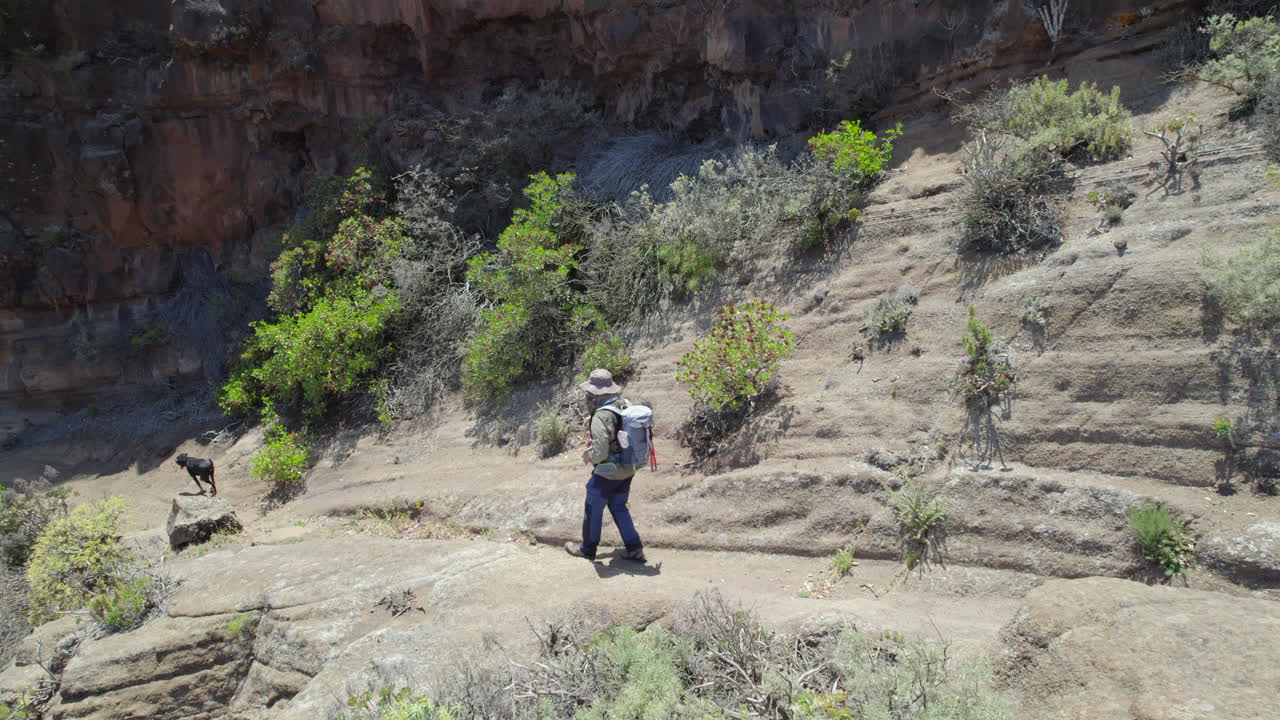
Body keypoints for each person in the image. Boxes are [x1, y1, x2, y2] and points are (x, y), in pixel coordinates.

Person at [564, 368, 646, 563]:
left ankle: (587, 549)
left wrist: (589, 455)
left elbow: (600, 452)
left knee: (593, 506)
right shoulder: (626, 405)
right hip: (628, 467)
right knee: (618, 505)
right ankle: (634, 549)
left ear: (594, 392)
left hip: (608, 472)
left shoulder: (601, 415)